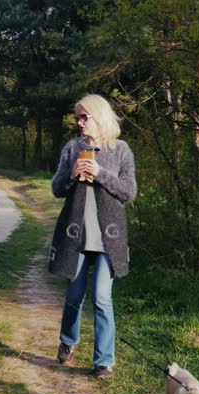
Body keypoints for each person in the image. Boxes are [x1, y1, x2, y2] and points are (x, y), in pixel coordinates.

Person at [49, 94, 137, 379]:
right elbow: (56, 189)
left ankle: (104, 361)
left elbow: (129, 192)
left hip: (108, 238)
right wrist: (73, 174)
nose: (80, 122)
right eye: (78, 117)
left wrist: (100, 173)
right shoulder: (72, 147)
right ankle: (68, 340)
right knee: (74, 296)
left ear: (100, 116)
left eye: (84, 116)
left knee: (102, 298)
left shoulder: (120, 150)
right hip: (76, 235)